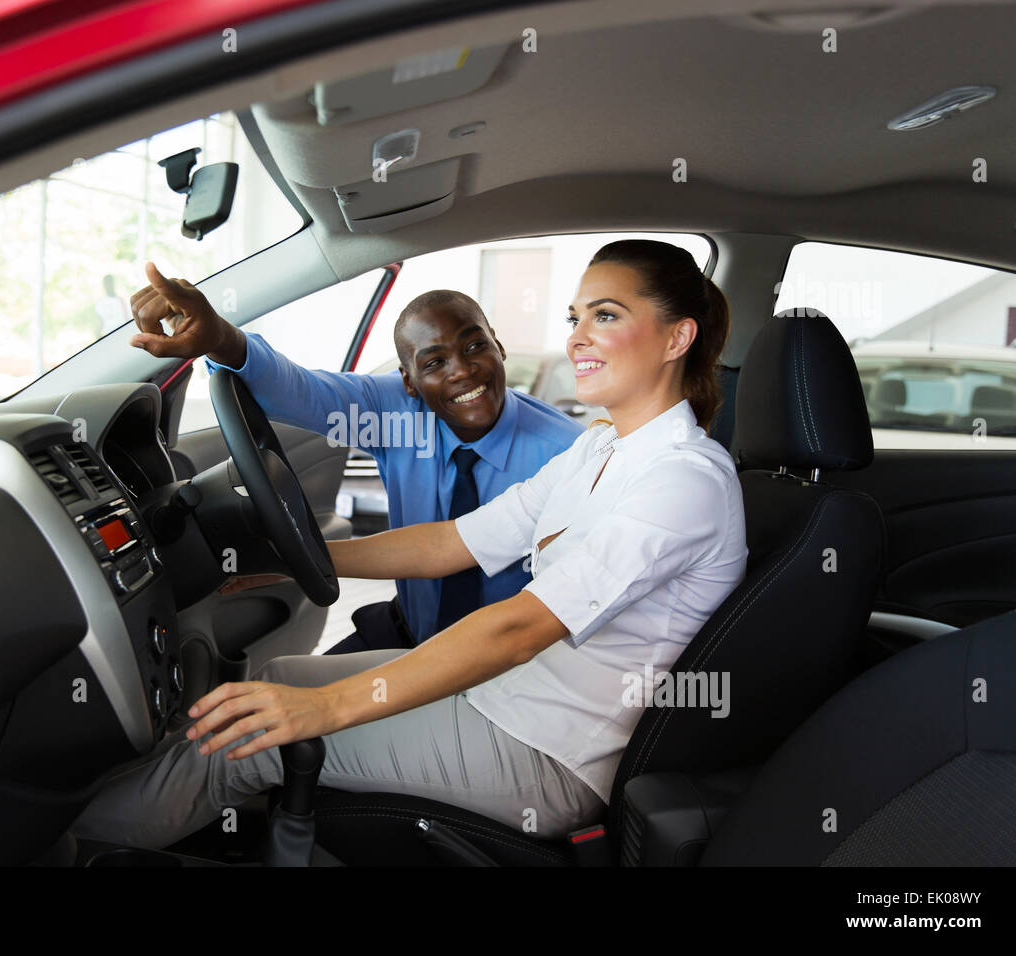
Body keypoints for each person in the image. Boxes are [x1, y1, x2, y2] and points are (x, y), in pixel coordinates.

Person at [70, 239, 747, 849]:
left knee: (238, 740)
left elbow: (518, 628)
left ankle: (60, 851)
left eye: (605, 315)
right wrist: (298, 556)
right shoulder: (602, 449)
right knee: (268, 682)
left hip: (547, 750)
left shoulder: (682, 480)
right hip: (502, 694)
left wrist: (325, 710)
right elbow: (450, 543)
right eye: (574, 318)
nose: (576, 338)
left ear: (676, 337)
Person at [126, 262, 582, 653]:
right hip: (410, 633)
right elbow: (297, 390)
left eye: (474, 346)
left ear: (498, 347)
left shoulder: (567, 454)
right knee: (283, 702)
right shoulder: (394, 412)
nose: (462, 371)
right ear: (408, 381)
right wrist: (219, 338)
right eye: (434, 362)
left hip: (509, 665)